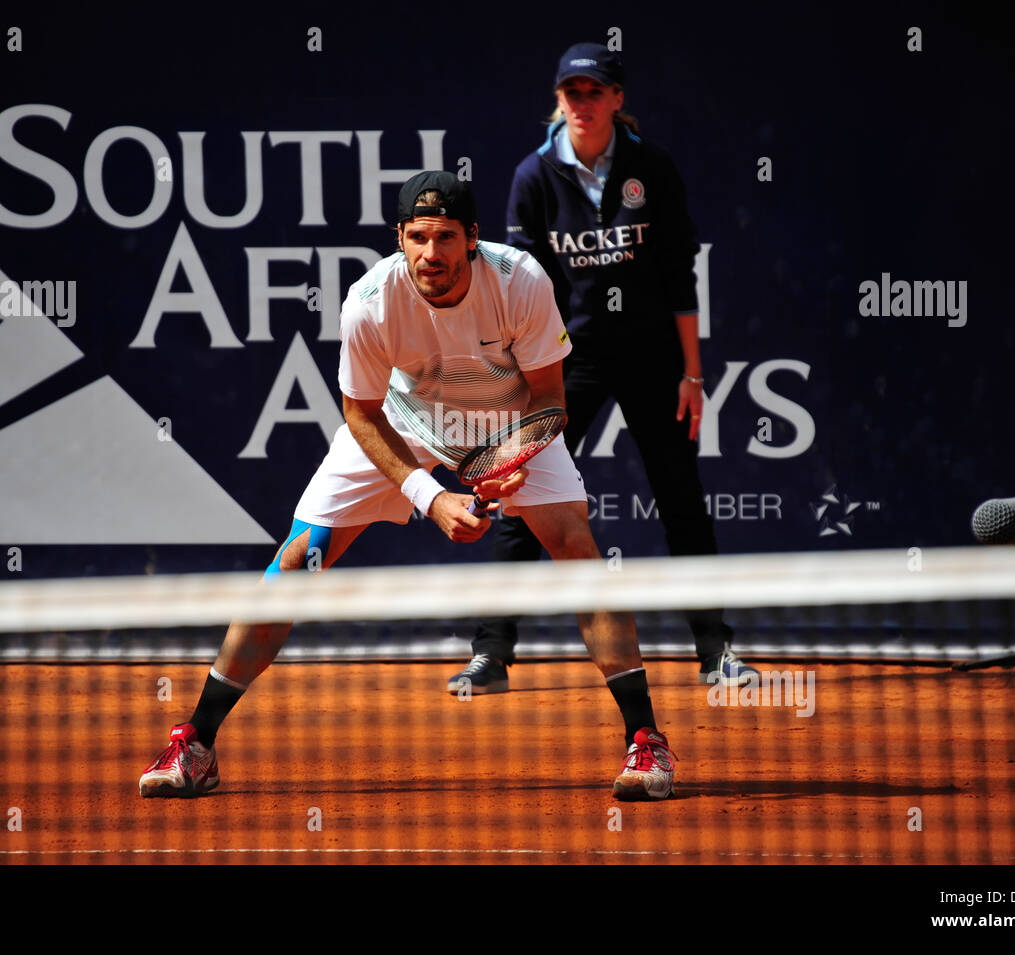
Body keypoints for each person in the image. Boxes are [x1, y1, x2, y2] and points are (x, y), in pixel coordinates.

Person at [139, 171, 677, 801]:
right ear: (399, 237)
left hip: (508, 422)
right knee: (297, 560)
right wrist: (430, 494)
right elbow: (360, 414)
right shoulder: (371, 301)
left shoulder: (520, 280)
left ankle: (646, 742)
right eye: (417, 237)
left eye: (446, 237)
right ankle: (197, 744)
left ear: (472, 238)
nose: (431, 254)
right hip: (402, 425)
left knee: (577, 552)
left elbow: (552, 398)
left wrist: (515, 457)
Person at [448, 42, 757, 696]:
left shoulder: (654, 169)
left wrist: (693, 374)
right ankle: (492, 654)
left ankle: (716, 652)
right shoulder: (534, 177)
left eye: (595, 92)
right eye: (572, 93)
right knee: (523, 495)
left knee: (682, 502)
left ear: (618, 99)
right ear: (558, 100)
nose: (582, 104)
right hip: (568, 360)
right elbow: (524, 287)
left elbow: (679, 276)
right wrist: (523, 378)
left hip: (652, 358)